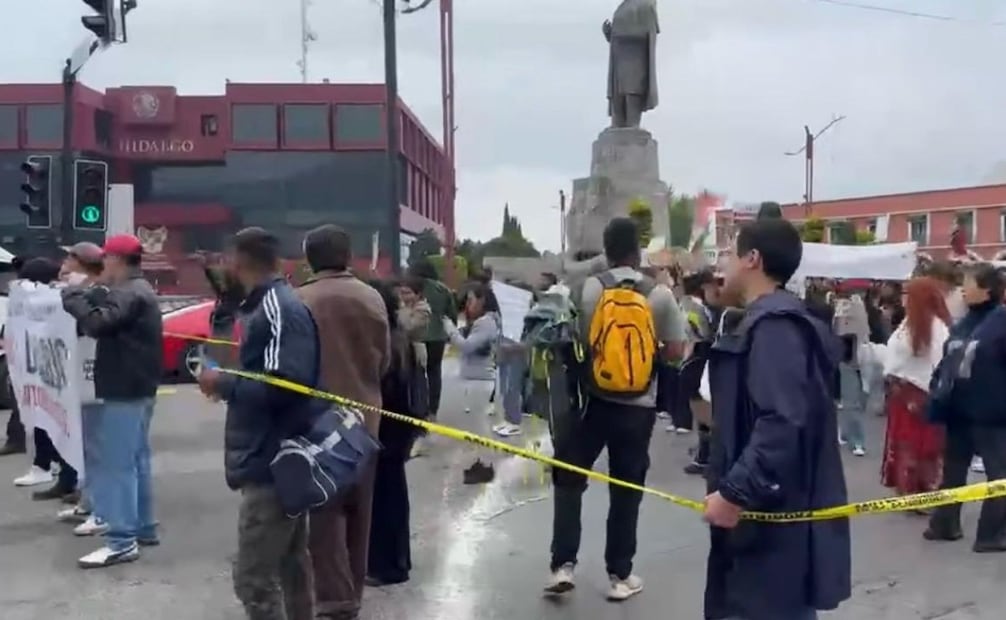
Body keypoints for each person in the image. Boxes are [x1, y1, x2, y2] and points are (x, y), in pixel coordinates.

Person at [703, 217, 850, 620]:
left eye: (730, 254)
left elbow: (782, 421)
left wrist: (734, 493)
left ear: (752, 259)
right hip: (763, 525)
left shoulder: (774, 328)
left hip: (771, 532)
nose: (723, 266)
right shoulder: (764, 322)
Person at [545, 217, 686, 602]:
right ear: (637, 250)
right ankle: (619, 576)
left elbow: (568, 335)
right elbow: (676, 353)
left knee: (569, 478)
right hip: (637, 409)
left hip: (591, 401)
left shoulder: (588, 289)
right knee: (626, 489)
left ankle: (563, 565)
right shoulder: (658, 295)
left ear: (605, 250)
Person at [196, 227, 321, 618]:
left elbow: (289, 383)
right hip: (273, 454)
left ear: (238, 260)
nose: (223, 268)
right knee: (290, 566)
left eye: (225, 260)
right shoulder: (260, 306)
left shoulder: (278, 307)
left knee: (253, 578)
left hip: (273, 459)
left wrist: (224, 383)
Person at [297, 224, 390, 620]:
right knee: (359, 513)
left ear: (309, 259)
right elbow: (384, 361)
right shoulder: (371, 297)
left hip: (319, 423)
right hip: (367, 418)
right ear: (348, 256)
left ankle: (335, 599)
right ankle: (353, 589)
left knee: (324, 513)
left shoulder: (300, 300)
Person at [62, 235, 163, 569]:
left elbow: (97, 323)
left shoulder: (131, 292)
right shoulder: (137, 290)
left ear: (117, 260)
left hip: (125, 387)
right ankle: (143, 528)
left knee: (117, 464)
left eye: (105, 260)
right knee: (136, 460)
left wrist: (73, 293)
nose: (101, 266)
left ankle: (121, 540)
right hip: (138, 385)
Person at [925, 264, 1006, 552]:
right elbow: (949, 360)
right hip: (957, 410)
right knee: (954, 471)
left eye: (969, 283)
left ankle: (991, 535)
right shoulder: (964, 322)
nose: (963, 288)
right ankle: (945, 524)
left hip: (991, 413)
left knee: (999, 475)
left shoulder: (1001, 321)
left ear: (987, 290)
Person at [366, 279, 425, 586]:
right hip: (400, 428)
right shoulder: (398, 336)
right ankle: (397, 561)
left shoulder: (385, 341)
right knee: (394, 496)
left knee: (385, 498)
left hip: (388, 429)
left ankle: (388, 566)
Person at [55, 242, 111, 536]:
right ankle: (89, 500)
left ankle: (103, 510)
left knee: (98, 449)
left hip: (95, 381)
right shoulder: (79, 290)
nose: (64, 263)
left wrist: (73, 292)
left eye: (69, 258)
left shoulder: (99, 293)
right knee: (87, 447)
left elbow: (92, 325)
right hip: (81, 380)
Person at [880, 277, 950, 499]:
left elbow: (939, 362)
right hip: (903, 392)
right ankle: (907, 488)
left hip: (920, 392)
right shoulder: (910, 322)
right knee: (903, 443)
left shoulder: (935, 328)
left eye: (908, 294)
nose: (903, 298)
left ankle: (922, 490)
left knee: (921, 445)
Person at [11, 258, 72, 492]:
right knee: (40, 418)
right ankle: (47, 463)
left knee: (51, 419)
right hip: (37, 372)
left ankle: (48, 465)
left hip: (51, 373)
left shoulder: (55, 301)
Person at [443, 283, 502, 483]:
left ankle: (486, 464)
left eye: (471, 300)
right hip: (477, 379)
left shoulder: (486, 322)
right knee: (476, 425)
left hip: (480, 380)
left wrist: (451, 330)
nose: (468, 305)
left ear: (482, 300)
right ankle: (482, 460)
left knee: (480, 426)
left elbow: (467, 347)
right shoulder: (484, 321)